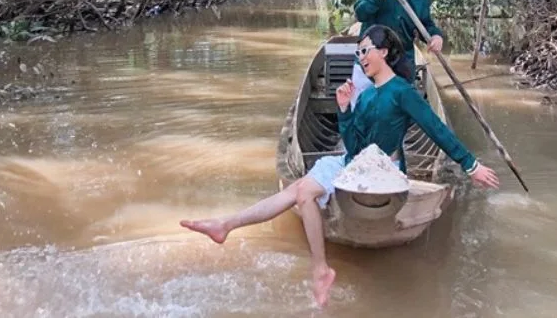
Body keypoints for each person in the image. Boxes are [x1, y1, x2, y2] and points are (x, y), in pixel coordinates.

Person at [180, 25, 499, 308]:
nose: (359, 57)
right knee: (299, 190)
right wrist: (345, 110)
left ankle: (317, 268)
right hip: (355, 163)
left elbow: (436, 128)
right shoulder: (367, 95)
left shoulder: (402, 92)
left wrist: (471, 165)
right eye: (358, 52)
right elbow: (355, 143)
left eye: (364, 51)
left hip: (382, 172)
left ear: (383, 52)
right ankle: (228, 226)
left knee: (303, 192)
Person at [349, 0, 443, 105]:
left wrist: (436, 36)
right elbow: (361, 13)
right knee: (362, 112)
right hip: (369, 62)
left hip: (402, 65)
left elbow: (426, 25)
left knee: (396, 117)